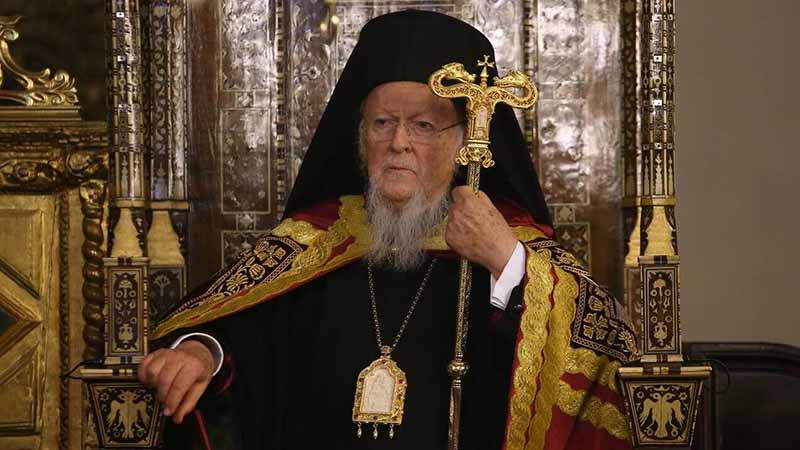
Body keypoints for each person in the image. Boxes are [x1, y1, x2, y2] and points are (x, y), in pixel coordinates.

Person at [140, 10, 637, 450]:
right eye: (382, 123)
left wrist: (505, 261)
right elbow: (241, 332)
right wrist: (202, 351)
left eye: (423, 126)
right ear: (360, 138)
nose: (399, 142)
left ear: (465, 141)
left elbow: (602, 349)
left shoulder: (511, 246)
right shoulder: (315, 242)